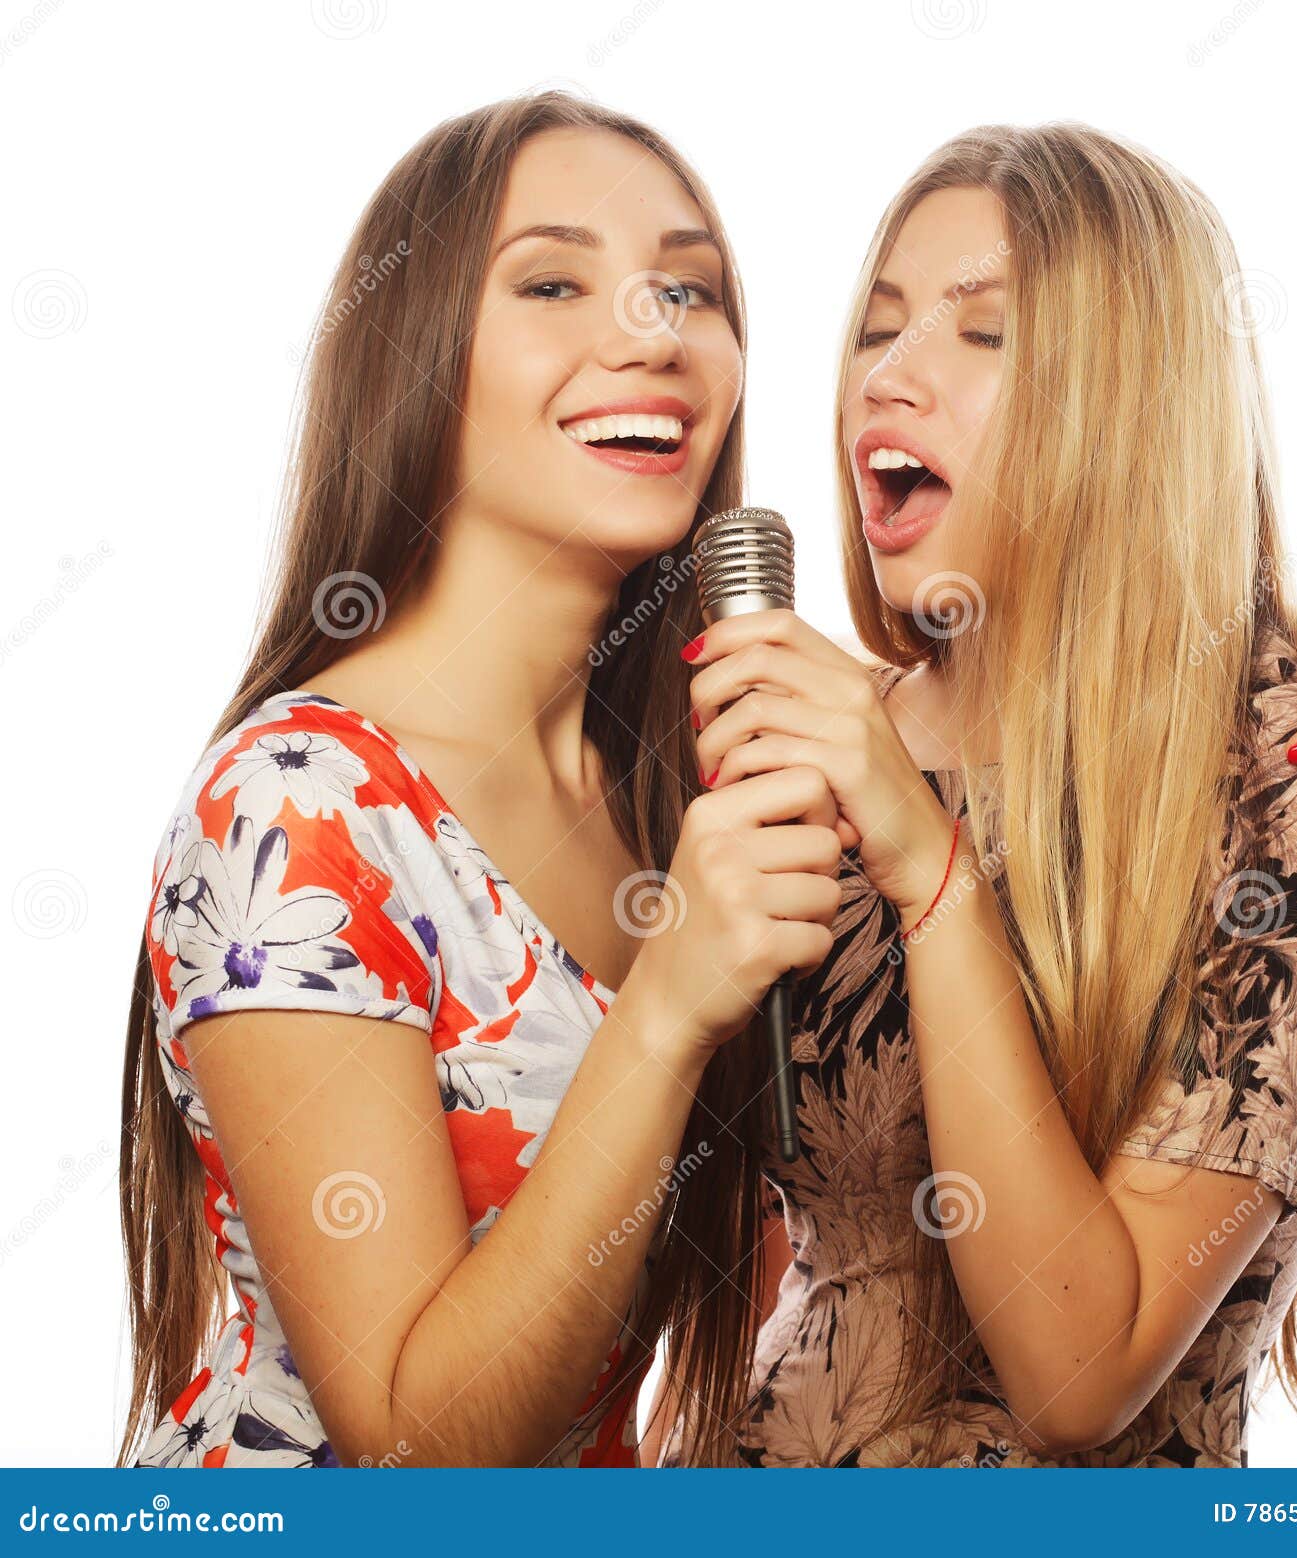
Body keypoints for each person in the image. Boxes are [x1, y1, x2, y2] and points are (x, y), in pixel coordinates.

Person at [656, 120, 1297, 1466]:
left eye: (983, 334)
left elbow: (1078, 1368)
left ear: (1135, 401)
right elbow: (756, 1274)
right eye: (879, 328)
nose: (889, 380)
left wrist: (930, 866)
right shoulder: (805, 752)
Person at [119, 93, 845, 1469]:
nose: (653, 333)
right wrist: (673, 999)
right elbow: (421, 1452)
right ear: (417, 357)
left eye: (687, 287)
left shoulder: (693, 786)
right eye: (555, 280)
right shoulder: (297, 806)